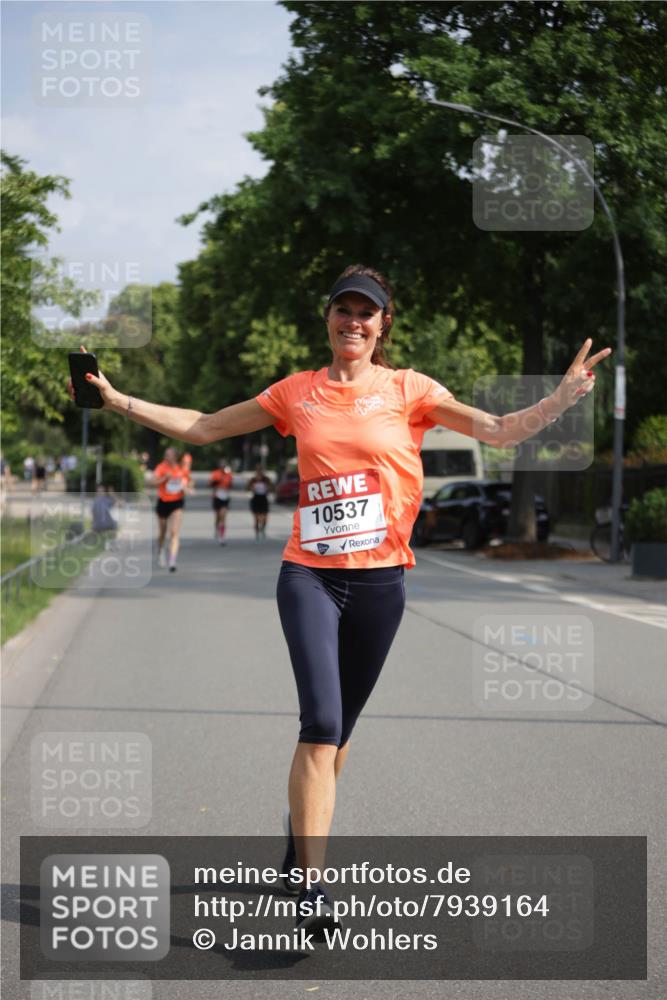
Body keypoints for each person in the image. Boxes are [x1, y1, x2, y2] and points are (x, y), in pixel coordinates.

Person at [67, 264, 610, 936]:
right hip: (309, 576)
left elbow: (498, 430)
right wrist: (119, 399)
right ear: (326, 318)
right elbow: (204, 426)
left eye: (366, 313)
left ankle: (299, 844)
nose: (353, 322)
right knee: (320, 721)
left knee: (340, 734)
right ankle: (312, 886)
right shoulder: (296, 393)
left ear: (382, 325)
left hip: (381, 583)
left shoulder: (411, 390)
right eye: (342, 310)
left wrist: (559, 400)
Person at [152, 447, 187, 572]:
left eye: (168, 454)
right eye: (165, 454)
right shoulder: (161, 467)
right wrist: (164, 478)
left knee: (174, 532)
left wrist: (185, 486)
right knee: (163, 532)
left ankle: (172, 562)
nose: (166, 456)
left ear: (175, 457)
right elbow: (153, 482)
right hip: (163, 502)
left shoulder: (181, 469)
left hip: (177, 502)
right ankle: (160, 550)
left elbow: (188, 482)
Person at [209, 459, 233, 544]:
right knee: (218, 517)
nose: (223, 467)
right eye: (222, 465)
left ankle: (222, 536)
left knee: (223, 516)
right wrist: (216, 482)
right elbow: (209, 484)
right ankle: (216, 529)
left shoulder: (229, 474)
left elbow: (231, 485)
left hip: (225, 497)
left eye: (224, 465)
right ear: (219, 466)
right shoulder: (215, 474)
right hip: (217, 497)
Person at [247, 464, 272, 542]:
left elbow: (272, 487)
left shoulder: (266, 479)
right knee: (257, 518)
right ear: (256, 471)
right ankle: (257, 533)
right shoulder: (253, 479)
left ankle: (263, 529)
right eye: (258, 470)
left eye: (260, 470)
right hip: (256, 499)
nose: (259, 472)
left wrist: (268, 488)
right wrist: (251, 488)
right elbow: (247, 488)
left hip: (264, 499)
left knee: (264, 518)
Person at [91, 484, 119, 548]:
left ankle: (109, 542)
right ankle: (107, 542)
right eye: (99, 491)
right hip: (101, 522)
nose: (100, 492)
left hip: (103, 521)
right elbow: (93, 512)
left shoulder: (105, 499)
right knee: (113, 525)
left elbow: (116, 502)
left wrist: (112, 494)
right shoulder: (96, 500)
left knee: (114, 525)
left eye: (102, 491)